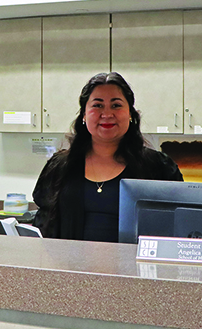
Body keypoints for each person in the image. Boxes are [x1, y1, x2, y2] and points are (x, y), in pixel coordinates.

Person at [32, 72, 183, 242]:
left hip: (133, 268)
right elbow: (44, 226)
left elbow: (178, 226)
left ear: (131, 114)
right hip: (71, 267)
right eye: (97, 105)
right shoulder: (59, 167)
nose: (107, 114)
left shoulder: (159, 167)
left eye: (116, 105)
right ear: (84, 115)